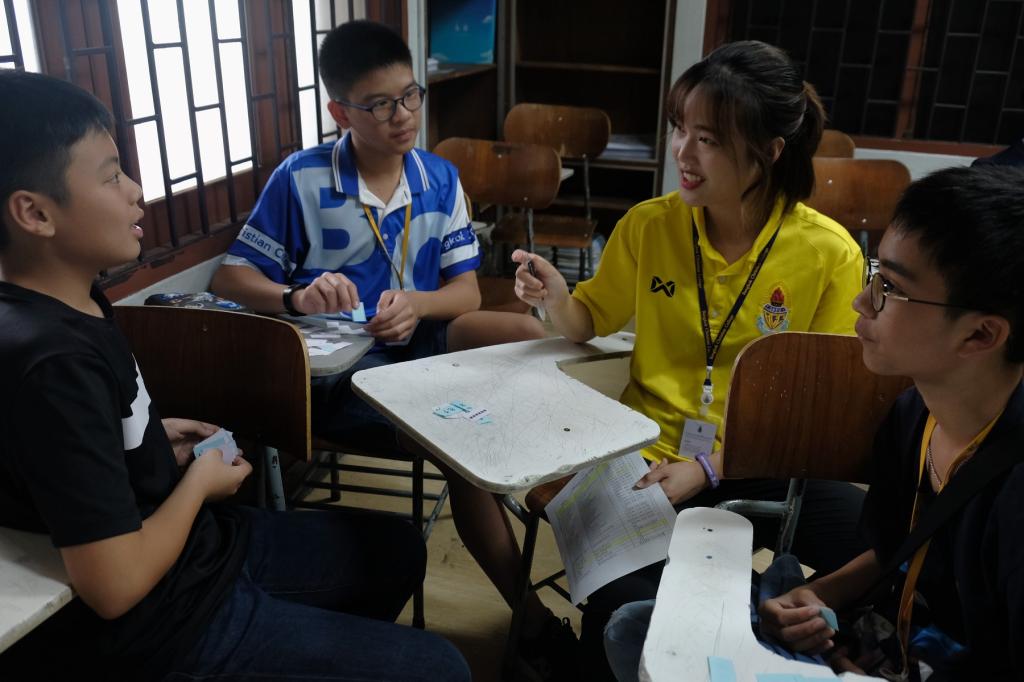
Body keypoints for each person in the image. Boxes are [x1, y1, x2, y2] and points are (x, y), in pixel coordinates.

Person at [0, 69, 469, 682]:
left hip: (196, 550)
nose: (137, 191)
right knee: (442, 669)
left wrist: (151, 440)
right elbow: (113, 586)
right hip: (160, 622)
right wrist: (200, 483)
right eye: (112, 176)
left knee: (395, 549)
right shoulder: (50, 359)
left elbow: (70, 455)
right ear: (35, 213)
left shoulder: (76, 299)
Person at [209, 20, 573, 677]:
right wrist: (297, 296)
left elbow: (464, 293)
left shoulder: (438, 177)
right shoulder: (301, 179)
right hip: (346, 364)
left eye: (410, 96)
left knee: (529, 332)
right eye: (380, 105)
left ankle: (538, 465)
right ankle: (532, 620)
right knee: (461, 446)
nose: (402, 116)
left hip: (420, 336)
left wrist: (417, 305)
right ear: (340, 112)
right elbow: (229, 280)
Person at [514, 40, 867, 680]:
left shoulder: (829, 253)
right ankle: (726, 629)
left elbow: (820, 411)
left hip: (763, 458)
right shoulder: (650, 225)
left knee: (882, 545)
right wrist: (555, 299)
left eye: (708, 139)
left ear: (770, 151)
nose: (683, 151)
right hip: (646, 452)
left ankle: (777, 631)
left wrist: (710, 468)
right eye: (680, 128)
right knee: (622, 599)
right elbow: (589, 320)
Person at [757, 165, 1024, 680]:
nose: (861, 301)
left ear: (980, 335)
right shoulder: (914, 414)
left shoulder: (1014, 496)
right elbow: (899, 549)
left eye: (890, 288)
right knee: (638, 625)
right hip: (893, 646)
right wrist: (817, 594)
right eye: (874, 276)